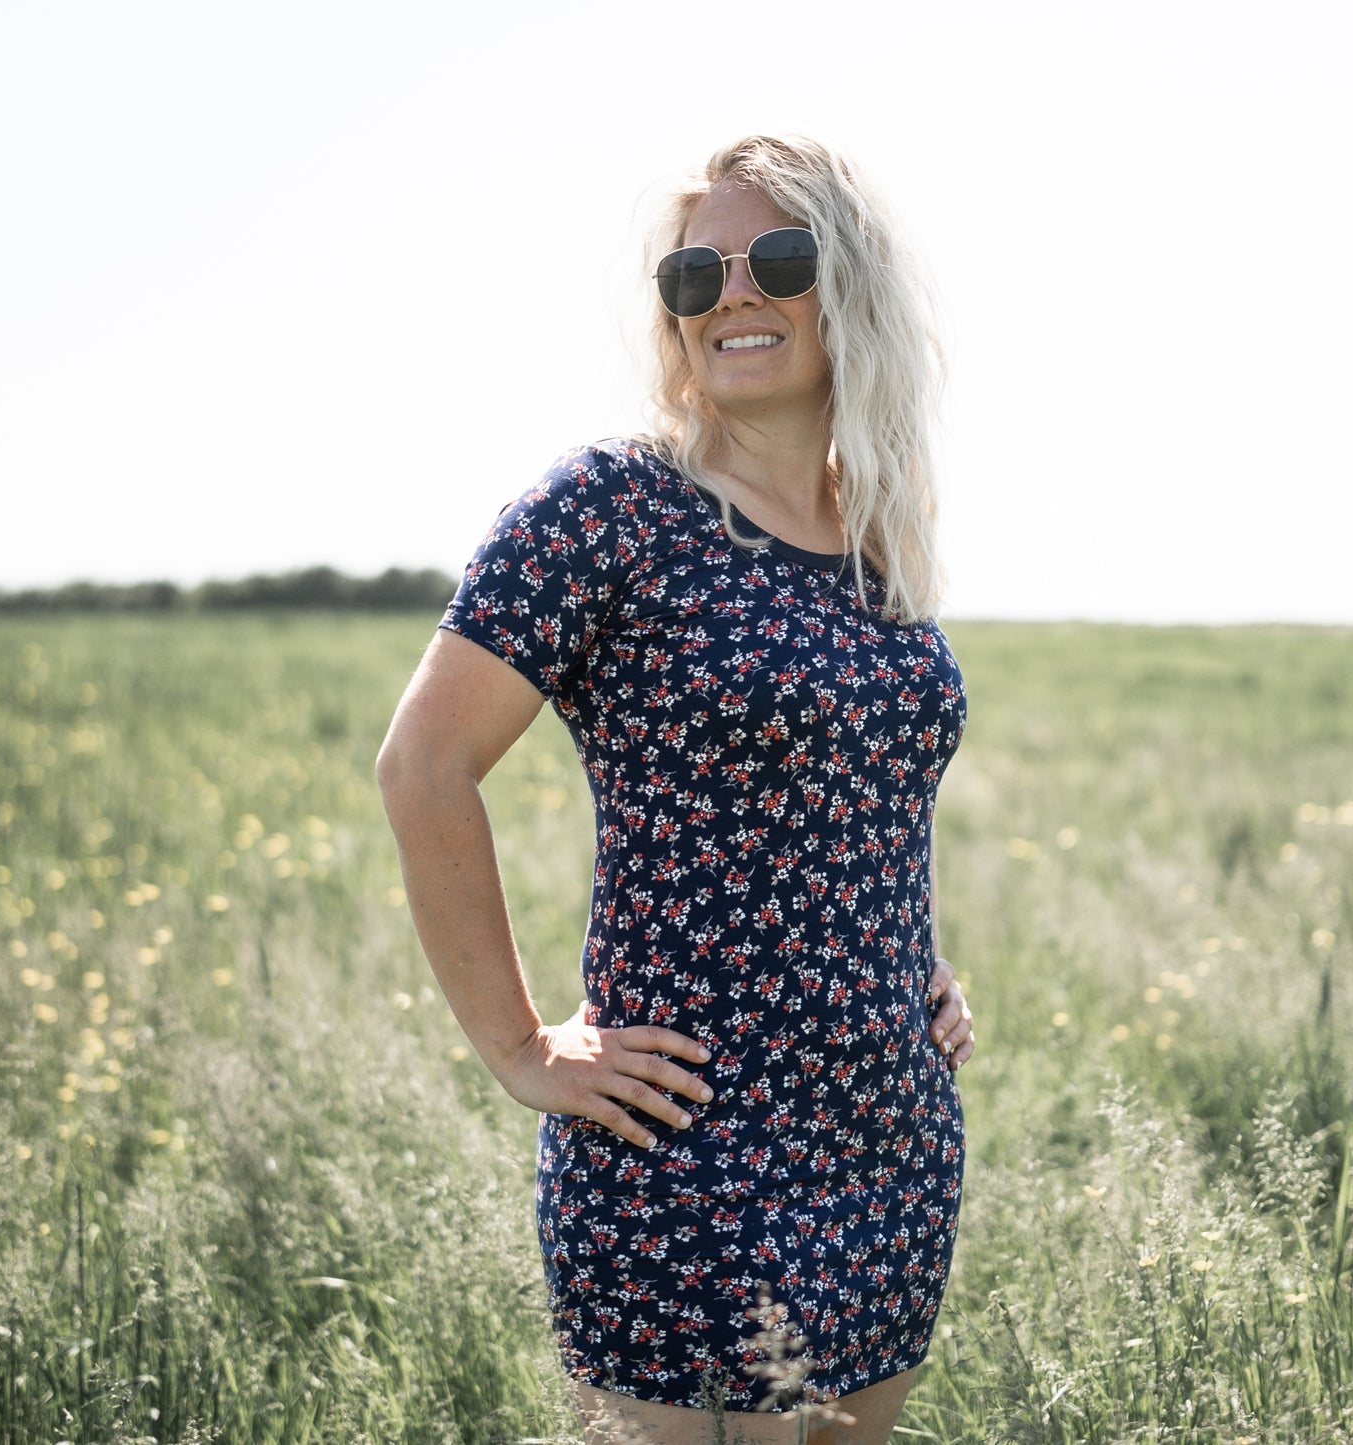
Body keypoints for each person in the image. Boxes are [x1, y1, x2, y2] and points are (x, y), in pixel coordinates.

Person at [377, 134, 975, 1445]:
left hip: (890, 1151)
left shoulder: (875, 538)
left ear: (849, 289)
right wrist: (520, 1047)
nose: (731, 295)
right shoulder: (610, 508)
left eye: (775, 259)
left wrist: (916, 962)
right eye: (693, 274)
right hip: (682, 1156)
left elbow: (858, 788)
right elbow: (423, 765)